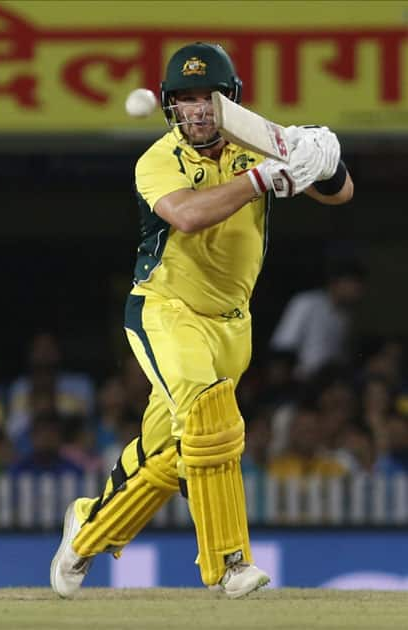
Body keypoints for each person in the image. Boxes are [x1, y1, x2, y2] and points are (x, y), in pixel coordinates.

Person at [50, 42, 353, 599]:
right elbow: (187, 216)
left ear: (229, 100)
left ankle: (88, 528)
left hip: (232, 325)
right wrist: (263, 179)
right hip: (165, 310)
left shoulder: (256, 142)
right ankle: (230, 563)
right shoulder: (158, 159)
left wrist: (325, 160)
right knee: (212, 417)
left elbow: (340, 194)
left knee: (170, 450)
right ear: (169, 108)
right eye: (183, 101)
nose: (196, 111)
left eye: (206, 99)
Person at [270, 258, 366, 379]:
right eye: (355, 285)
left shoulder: (346, 316)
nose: (359, 292)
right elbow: (282, 346)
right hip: (298, 380)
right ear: (337, 282)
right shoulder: (307, 303)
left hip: (326, 386)